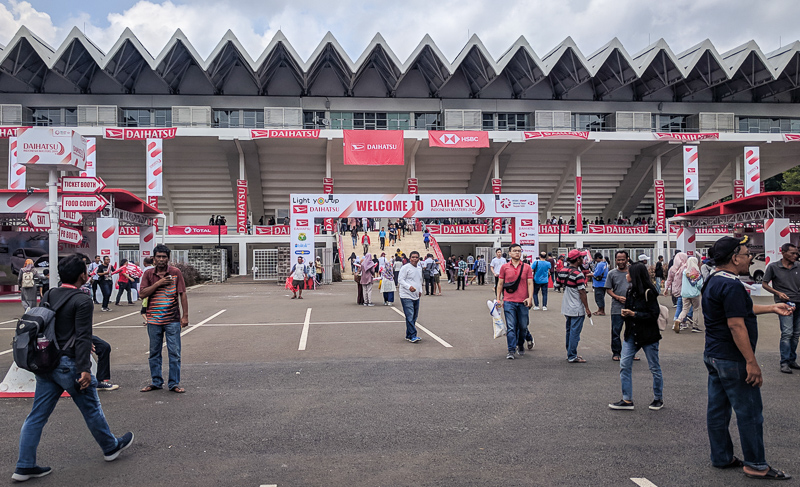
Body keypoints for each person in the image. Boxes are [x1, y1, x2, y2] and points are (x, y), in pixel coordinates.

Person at [13, 254, 134, 482]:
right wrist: (85, 370)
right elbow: (82, 338)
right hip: (69, 365)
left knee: (36, 416)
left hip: (46, 362)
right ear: (82, 275)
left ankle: (24, 465)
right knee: (91, 408)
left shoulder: (50, 293)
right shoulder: (82, 300)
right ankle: (110, 447)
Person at [702, 236, 792, 480]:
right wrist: (751, 362)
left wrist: (772, 308)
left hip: (714, 355)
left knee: (718, 411)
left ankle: (721, 456)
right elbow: (736, 324)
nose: (750, 257)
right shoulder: (731, 285)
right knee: (750, 413)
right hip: (733, 359)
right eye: (745, 253)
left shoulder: (715, 279)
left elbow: (739, 308)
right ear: (734, 257)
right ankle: (756, 464)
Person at [608, 262, 664, 411]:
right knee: (624, 365)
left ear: (635, 275)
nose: (626, 275)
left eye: (629, 272)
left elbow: (654, 314)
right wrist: (626, 313)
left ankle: (658, 398)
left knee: (654, 367)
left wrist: (634, 314)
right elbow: (629, 310)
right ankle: (627, 400)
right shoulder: (630, 290)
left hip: (648, 335)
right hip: (631, 334)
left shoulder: (649, 292)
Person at [139, 244, 189, 394]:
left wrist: (185, 316)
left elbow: (183, 293)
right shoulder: (148, 274)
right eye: (158, 257)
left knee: (174, 352)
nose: (161, 259)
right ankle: (156, 381)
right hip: (153, 320)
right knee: (154, 352)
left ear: (168, 258)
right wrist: (159, 283)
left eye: (164, 257)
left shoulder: (175, 273)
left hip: (172, 320)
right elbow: (142, 294)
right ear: (153, 258)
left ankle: (174, 383)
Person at [761, 242, 800, 374]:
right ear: (783, 253)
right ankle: (784, 362)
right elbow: (764, 284)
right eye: (792, 253)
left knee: (795, 334)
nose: (796, 255)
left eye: (796, 253)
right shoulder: (773, 267)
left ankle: (791, 359)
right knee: (787, 333)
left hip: (798, 302)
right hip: (784, 304)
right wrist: (777, 293)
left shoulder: (798, 266)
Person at [496, 243, 534, 360]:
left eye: (519, 251)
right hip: (509, 301)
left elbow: (530, 283)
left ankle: (520, 343)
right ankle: (511, 350)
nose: (518, 253)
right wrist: (498, 298)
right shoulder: (504, 267)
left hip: (523, 302)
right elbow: (500, 284)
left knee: (523, 326)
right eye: (515, 251)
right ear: (510, 253)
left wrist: (530, 298)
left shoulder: (527, 267)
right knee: (511, 327)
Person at [557, 249, 592, 363]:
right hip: (576, 307)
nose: (583, 259)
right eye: (581, 258)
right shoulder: (578, 274)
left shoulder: (562, 270)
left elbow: (558, 283)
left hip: (566, 306)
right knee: (575, 333)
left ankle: (570, 353)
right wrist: (587, 308)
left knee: (569, 331)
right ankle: (572, 355)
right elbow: (582, 292)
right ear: (577, 260)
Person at [606, 251, 634, 362]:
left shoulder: (633, 273)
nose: (621, 262)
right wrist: (617, 297)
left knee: (632, 331)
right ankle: (616, 352)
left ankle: (631, 352)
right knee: (616, 331)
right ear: (615, 260)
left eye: (623, 259)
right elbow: (608, 289)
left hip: (631, 308)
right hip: (617, 308)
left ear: (627, 259)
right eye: (618, 259)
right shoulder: (612, 273)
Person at [398, 251, 423, 343]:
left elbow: (420, 280)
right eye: (413, 257)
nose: (415, 259)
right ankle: (413, 335)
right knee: (409, 315)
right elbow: (400, 280)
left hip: (416, 295)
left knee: (414, 316)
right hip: (406, 295)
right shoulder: (405, 268)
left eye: (416, 257)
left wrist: (420, 291)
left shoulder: (419, 268)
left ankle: (408, 335)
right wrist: (409, 287)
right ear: (409, 258)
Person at [665, 252, 693, 333]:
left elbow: (669, 279)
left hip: (676, 289)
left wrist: (666, 288)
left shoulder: (672, 268)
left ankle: (682, 321)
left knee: (681, 305)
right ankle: (677, 320)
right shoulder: (685, 267)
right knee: (682, 306)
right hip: (684, 290)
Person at [678, 256, 704, 333]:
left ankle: (679, 320)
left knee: (685, 309)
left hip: (685, 293)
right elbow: (699, 285)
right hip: (694, 294)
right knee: (695, 309)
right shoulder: (697, 273)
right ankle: (695, 326)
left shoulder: (685, 272)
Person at [140, 256, 154, 325]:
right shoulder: (155, 269)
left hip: (148, 291)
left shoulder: (146, 270)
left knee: (145, 309)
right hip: (155, 290)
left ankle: (148, 320)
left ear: (144, 263)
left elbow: (144, 283)